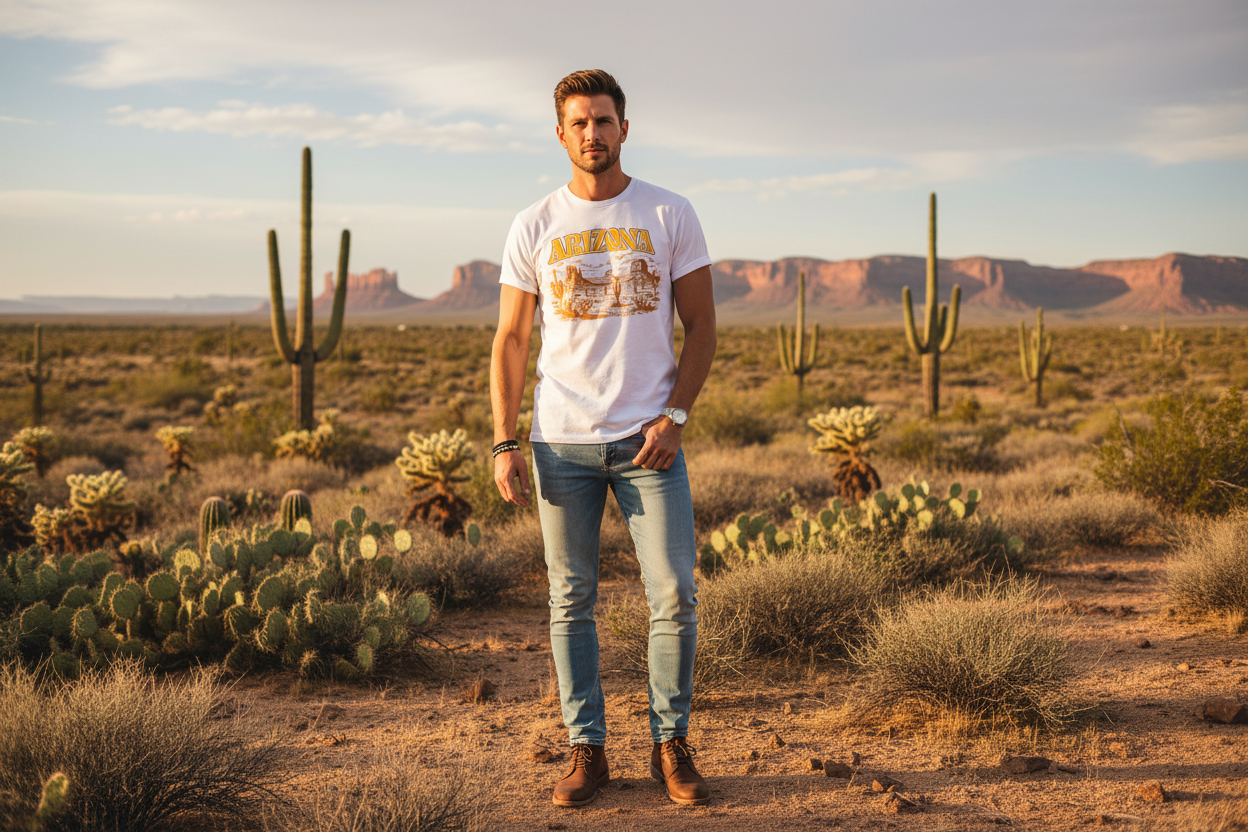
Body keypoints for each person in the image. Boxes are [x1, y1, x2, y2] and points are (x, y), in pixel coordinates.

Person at [489, 68, 718, 808]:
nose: (594, 133)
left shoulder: (670, 212)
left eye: (605, 120)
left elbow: (704, 326)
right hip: (562, 443)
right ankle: (587, 750)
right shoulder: (535, 223)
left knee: (674, 594)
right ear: (561, 134)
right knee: (570, 599)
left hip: (650, 441)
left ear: (625, 128)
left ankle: (670, 745)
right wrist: (504, 440)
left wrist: (675, 417)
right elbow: (511, 340)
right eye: (580, 123)